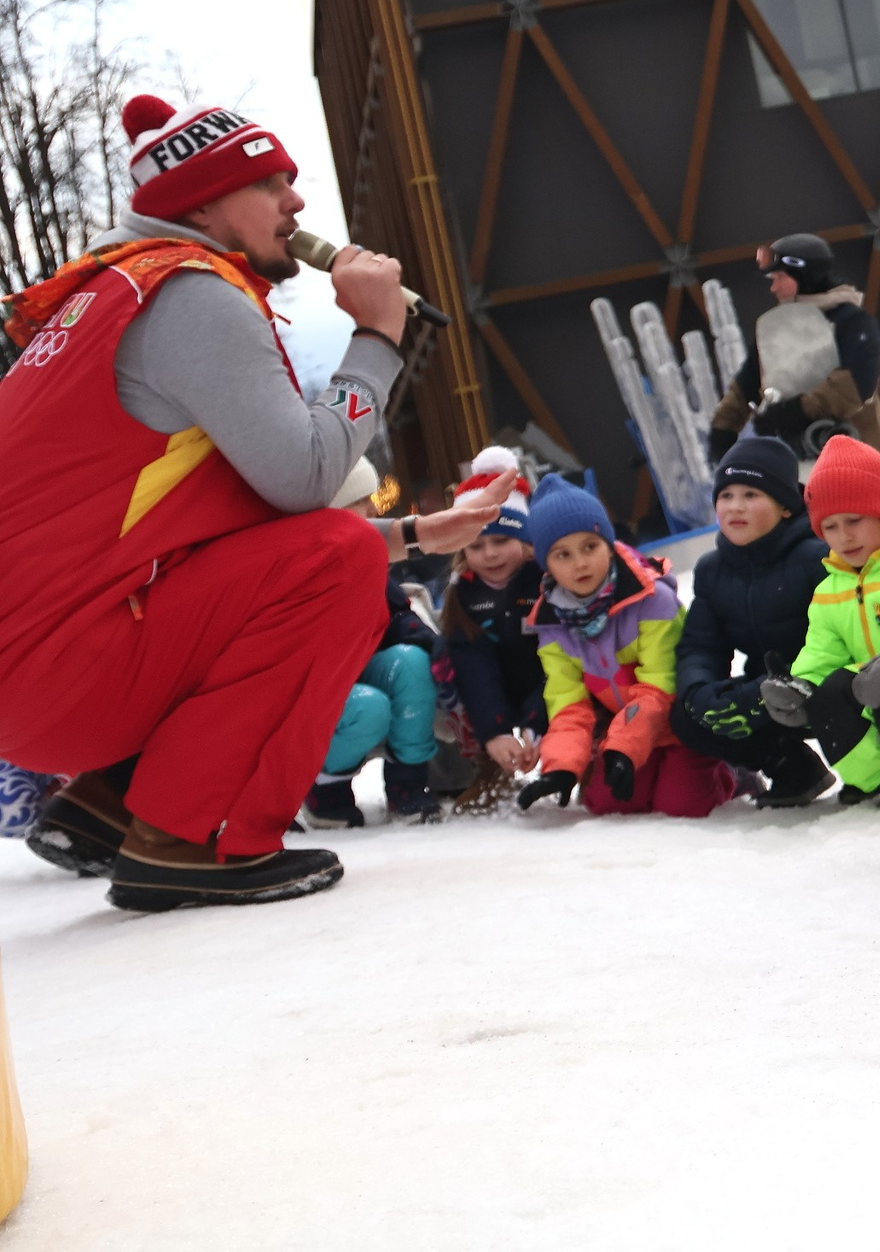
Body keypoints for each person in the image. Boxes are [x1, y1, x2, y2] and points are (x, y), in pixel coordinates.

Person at [0, 94, 461, 911]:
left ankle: (116, 799)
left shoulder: (110, 294)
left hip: (43, 667)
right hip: (60, 670)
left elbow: (238, 531)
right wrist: (379, 337)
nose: (297, 203)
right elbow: (307, 480)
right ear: (202, 205)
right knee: (342, 556)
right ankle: (192, 833)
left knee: (333, 550)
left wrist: (418, 531)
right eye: (271, 183)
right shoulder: (191, 295)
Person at [760, 434, 880, 809]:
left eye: (854, 520)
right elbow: (822, 652)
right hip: (872, 718)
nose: (843, 536)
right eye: (830, 527)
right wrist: (799, 686)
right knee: (829, 691)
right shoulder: (830, 591)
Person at [515, 476, 733, 819]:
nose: (580, 563)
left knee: (681, 806)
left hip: (681, 726)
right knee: (607, 805)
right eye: (563, 554)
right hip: (628, 732)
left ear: (609, 544)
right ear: (547, 564)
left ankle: (730, 772)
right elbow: (567, 704)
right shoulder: (551, 624)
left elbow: (661, 685)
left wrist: (622, 748)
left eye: (590, 546)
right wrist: (561, 766)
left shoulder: (652, 599)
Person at [669, 439, 839, 809]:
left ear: (785, 507)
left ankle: (876, 770)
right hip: (763, 695)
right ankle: (790, 766)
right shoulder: (713, 571)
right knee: (686, 714)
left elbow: (837, 640)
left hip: (820, 681)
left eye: (750, 494)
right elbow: (700, 645)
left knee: (843, 688)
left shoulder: (817, 557)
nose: (735, 506)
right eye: (726, 495)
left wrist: (772, 687)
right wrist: (699, 692)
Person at [305, 459, 447, 828]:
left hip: (356, 670)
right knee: (369, 708)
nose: (374, 509)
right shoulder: (301, 569)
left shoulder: (362, 559)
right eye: (361, 501)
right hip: (310, 690)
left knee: (413, 665)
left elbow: (397, 616)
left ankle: (408, 784)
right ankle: (325, 788)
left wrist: (433, 647)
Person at [435, 450, 549, 813]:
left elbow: (562, 662)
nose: (490, 554)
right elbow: (474, 671)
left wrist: (536, 723)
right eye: (477, 546)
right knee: (447, 673)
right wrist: (495, 732)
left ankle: (577, 757)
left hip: (549, 683)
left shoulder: (547, 584)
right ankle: (489, 767)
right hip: (489, 693)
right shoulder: (463, 596)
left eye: (501, 541)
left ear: (526, 542)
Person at [706, 234, 880, 461]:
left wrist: (796, 411)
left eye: (780, 277)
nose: (774, 287)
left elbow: (856, 383)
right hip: (792, 458)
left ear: (805, 274)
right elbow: (746, 384)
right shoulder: (773, 328)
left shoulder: (851, 321)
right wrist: (723, 428)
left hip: (851, 455)